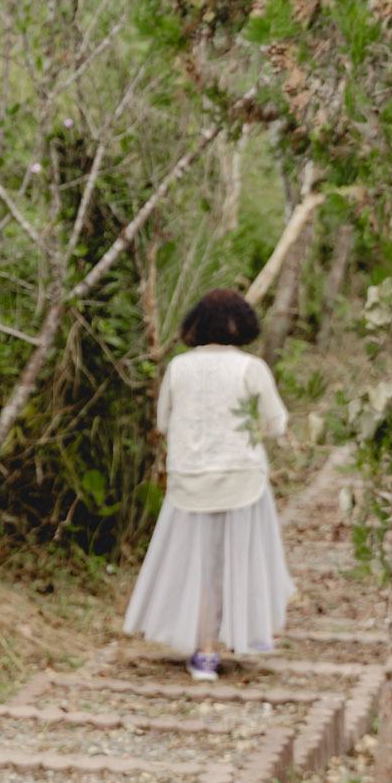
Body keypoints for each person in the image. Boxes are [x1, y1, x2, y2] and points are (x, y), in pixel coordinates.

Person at [124, 288, 294, 680]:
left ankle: (203, 649)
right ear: (241, 325)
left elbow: (164, 422)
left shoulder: (178, 368)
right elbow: (276, 422)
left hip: (189, 481)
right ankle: (227, 639)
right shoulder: (250, 368)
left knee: (198, 565)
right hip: (241, 480)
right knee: (239, 560)